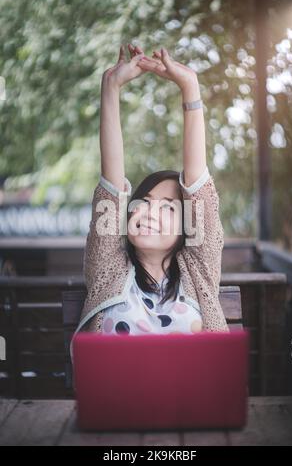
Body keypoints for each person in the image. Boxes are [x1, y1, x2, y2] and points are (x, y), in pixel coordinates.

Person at [71, 43, 228, 356]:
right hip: (115, 404)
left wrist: (189, 86)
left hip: (192, 402)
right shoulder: (109, 265)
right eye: (145, 200)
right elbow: (111, 183)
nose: (150, 210)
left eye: (169, 206)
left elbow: (199, 188)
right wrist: (111, 87)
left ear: (189, 227)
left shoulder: (199, 270)